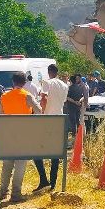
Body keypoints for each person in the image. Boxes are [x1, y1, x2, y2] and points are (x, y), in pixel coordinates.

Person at [0, 71, 42, 205]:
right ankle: (15, 193)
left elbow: (0, 115)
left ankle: (2, 192)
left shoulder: (4, 96)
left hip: (8, 134)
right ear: (25, 82)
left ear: (13, 82)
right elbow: (39, 110)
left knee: (7, 164)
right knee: (20, 164)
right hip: (24, 134)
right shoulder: (27, 96)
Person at [34, 63, 69, 192]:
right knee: (55, 152)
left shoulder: (46, 83)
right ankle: (53, 182)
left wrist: (42, 112)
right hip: (59, 119)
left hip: (48, 119)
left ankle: (44, 179)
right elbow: (63, 101)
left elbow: (44, 98)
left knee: (36, 150)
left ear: (49, 72)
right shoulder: (64, 85)